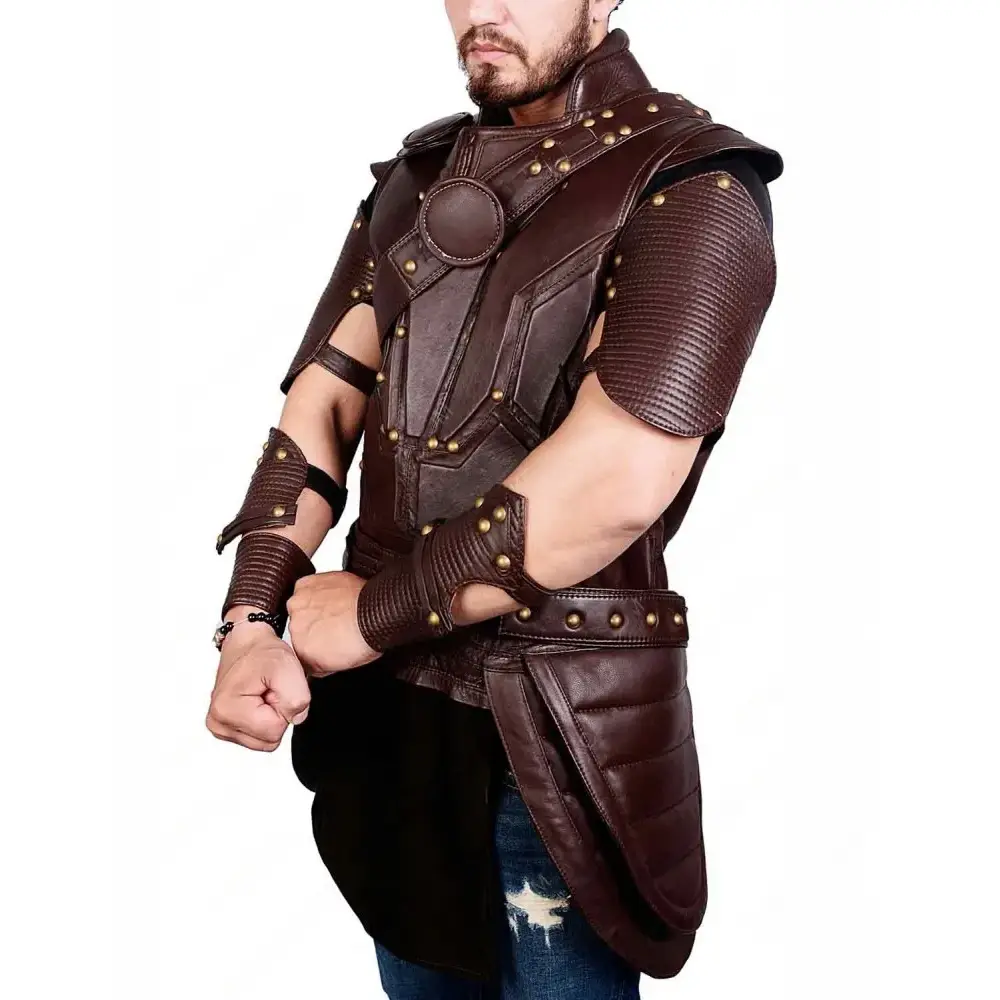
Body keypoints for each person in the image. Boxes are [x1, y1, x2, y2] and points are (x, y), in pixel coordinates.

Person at [206, 2, 783, 997]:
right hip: (395, 725)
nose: (485, 10)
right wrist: (251, 618)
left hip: (553, 724)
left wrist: (369, 615)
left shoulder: (692, 183)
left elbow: (615, 479)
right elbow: (320, 410)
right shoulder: (416, 178)